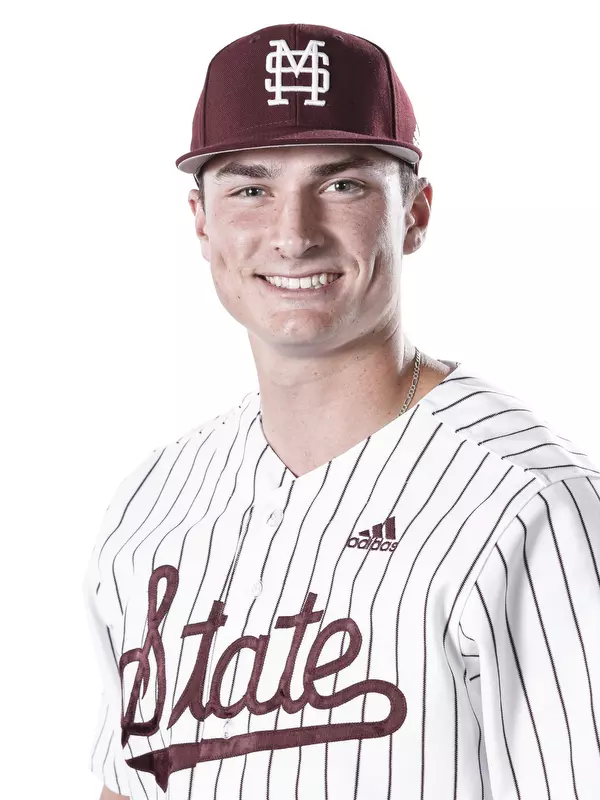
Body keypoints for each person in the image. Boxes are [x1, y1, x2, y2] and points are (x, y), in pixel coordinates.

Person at [83, 22, 600, 800]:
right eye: (251, 188)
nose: (293, 235)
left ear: (415, 213)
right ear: (201, 220)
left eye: (342, 184)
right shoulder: (150, 506)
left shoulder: (529, 504)